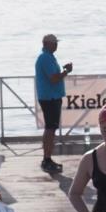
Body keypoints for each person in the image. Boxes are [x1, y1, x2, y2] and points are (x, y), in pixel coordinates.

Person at [34, 34, 73, 172]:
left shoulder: (48, 57)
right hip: (49, 98)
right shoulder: (45, 58)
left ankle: (47, 158)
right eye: (54, 43)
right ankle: (46, 159)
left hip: (51, 97)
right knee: (50, 129)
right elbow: (54, 78)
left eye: (56, 43)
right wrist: (66, 71)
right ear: (46, 43)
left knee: (51, 128)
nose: (56, 45)